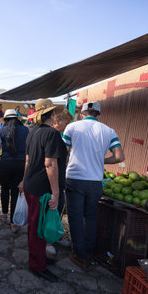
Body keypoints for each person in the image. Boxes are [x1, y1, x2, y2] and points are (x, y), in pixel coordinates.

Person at [62, 101, 125, 269]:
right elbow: (119, 157)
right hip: (95, 182)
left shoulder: (72, 127)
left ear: (82, 113)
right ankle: (89, 252)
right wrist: (101, 160)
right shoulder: (109, 131)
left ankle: (80, 255)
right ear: (98, 114)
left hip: (75, 178)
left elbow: (63, 151)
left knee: (75, 218)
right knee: (90, 217)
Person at [18, 98, 66, 283]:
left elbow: (28, 160)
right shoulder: (52, 134)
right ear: (52, 114)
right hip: (42, 191)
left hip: (31, 185)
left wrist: (23, 180)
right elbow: (50, 163)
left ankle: (38, 258)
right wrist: (55, 193)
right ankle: (37, 265)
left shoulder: (33, 132)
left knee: (35, 226)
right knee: (38, 229)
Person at [0, 109, 29, 233]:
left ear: (5, 120)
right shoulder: (26, 130)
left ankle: (4, 213)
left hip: (5, 164)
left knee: (4, 189)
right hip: (21, 165)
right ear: (18, 119)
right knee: (15, 193)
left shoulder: (1, 131)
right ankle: (13, 223)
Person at [45, 109, 74, 256]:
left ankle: (56, 235)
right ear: (58, 121)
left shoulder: (59, 135)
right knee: (52, 209)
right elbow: (50, 163)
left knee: (57, 209)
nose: (67, 126)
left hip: (60, 177)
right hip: (53, 180)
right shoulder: (53, 135)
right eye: (66, 123)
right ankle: (48, 241)